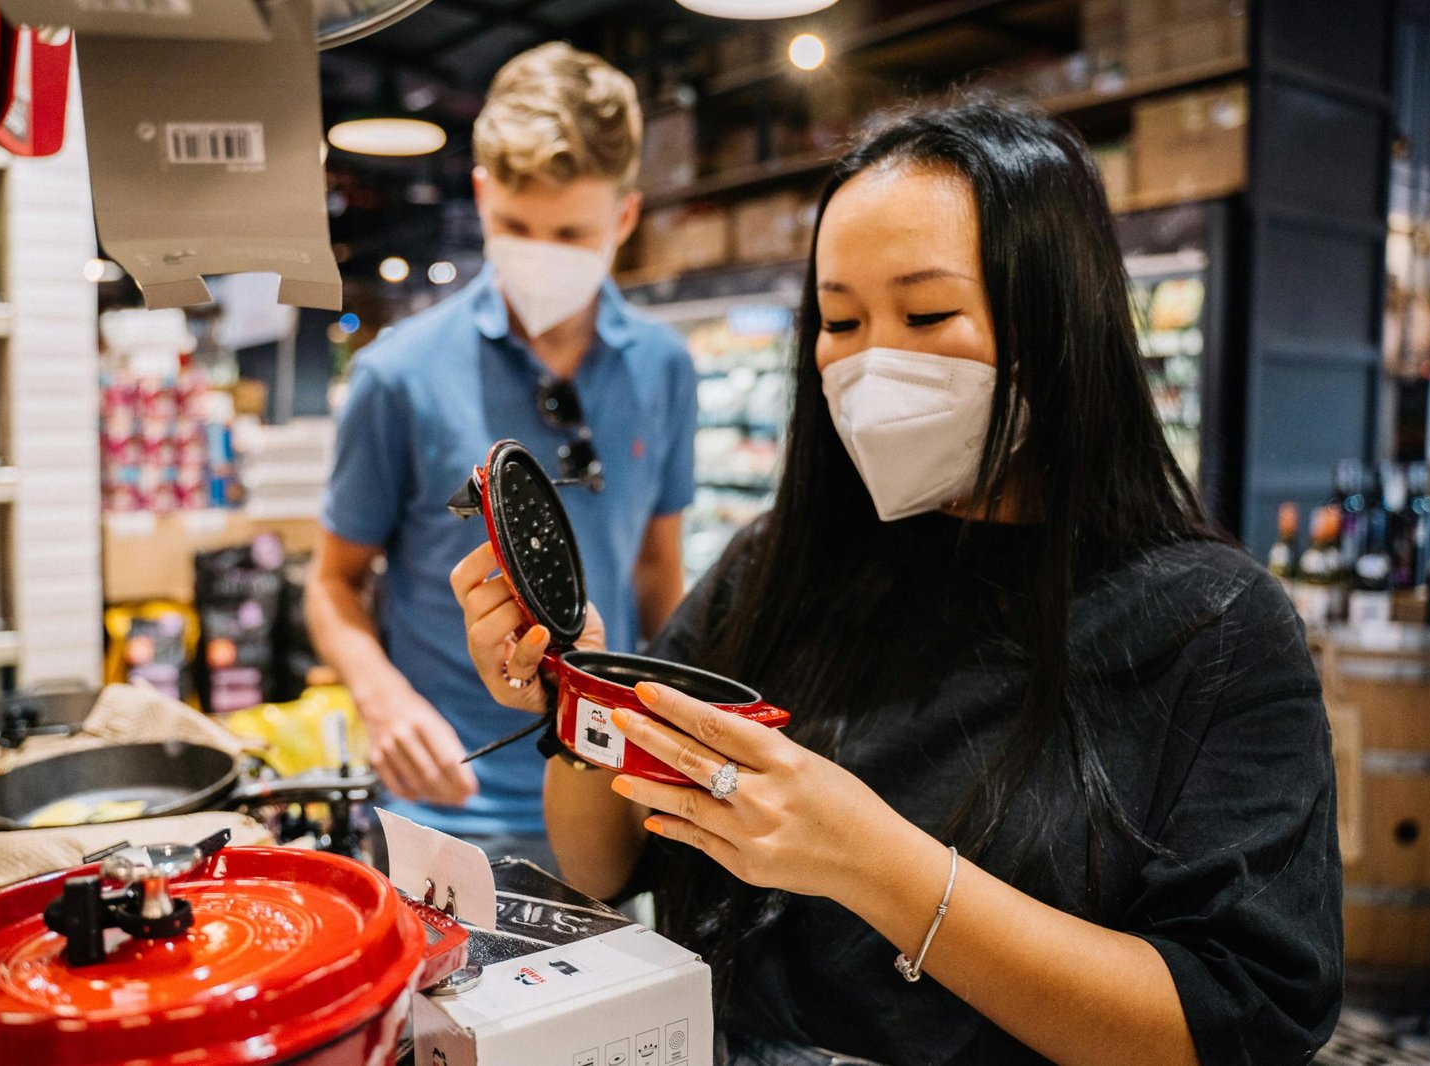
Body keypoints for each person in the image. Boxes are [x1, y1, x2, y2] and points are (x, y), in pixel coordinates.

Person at [452, 101, 1342, 1065]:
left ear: (1055, 321)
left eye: (925, 314)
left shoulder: (1214, 625)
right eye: (840, 320)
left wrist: (880, 867)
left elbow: (1240, 1020)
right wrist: (576, 686)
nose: (872, 359)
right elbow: (604, 860)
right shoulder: (777, 564)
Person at [308, 43, 697, 868]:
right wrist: (383, 702)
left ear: (623, 220)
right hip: (447, 810)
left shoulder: (664, 368)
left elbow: (658, 573)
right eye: (517, 228)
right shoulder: (397, 374)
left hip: (614, 796)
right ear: (481, 195)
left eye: (570, 232)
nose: (540, 253)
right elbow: (332, 581)